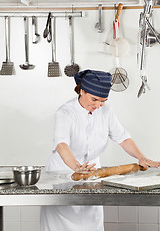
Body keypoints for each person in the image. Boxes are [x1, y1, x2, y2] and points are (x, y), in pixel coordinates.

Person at [41, 69, 160, 231]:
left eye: (103, 101)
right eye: (94, 99)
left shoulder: (106, 111)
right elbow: (61, 145)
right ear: (82, 90)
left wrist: (141, 157)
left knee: (91, 223)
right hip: (65, 173)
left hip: (93, 175)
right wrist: (76, 167)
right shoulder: (65, 113)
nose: (97, 105)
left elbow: (123, 138)